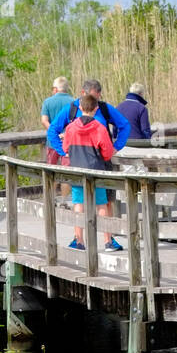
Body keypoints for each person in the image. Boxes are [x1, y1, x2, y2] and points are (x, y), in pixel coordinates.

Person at [47, 80, 130, 250]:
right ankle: (93, 240)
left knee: (89, 203)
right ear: (83, 94)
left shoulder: (97, 113)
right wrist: (63, 153)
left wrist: (117, 146)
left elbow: (124, 125)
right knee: (100, 203)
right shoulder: (78, 114)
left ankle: (95, 240)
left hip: (80, 168)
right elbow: (52, 130)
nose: (95, 100)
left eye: (97, 96)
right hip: (97, 168)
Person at [61, 91, 118, 250]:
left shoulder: (70, 128)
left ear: (80, 107)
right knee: (101, 205)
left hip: (77, 172)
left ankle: (79, 241)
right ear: (95, 109)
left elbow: (65, 148)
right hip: (95, 172)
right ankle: (107, 241)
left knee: (79, 204)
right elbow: (107, 153)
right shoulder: (99, 128)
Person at [41, 77, 73, 166]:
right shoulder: (73, 102)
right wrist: (65, 133)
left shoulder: (47, 102)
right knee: (67, 173)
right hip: (68, 142)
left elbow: (44, 121)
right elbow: (76, 122)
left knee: (50, 170)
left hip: (52, 142)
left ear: (55, 89)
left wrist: (55, 133)